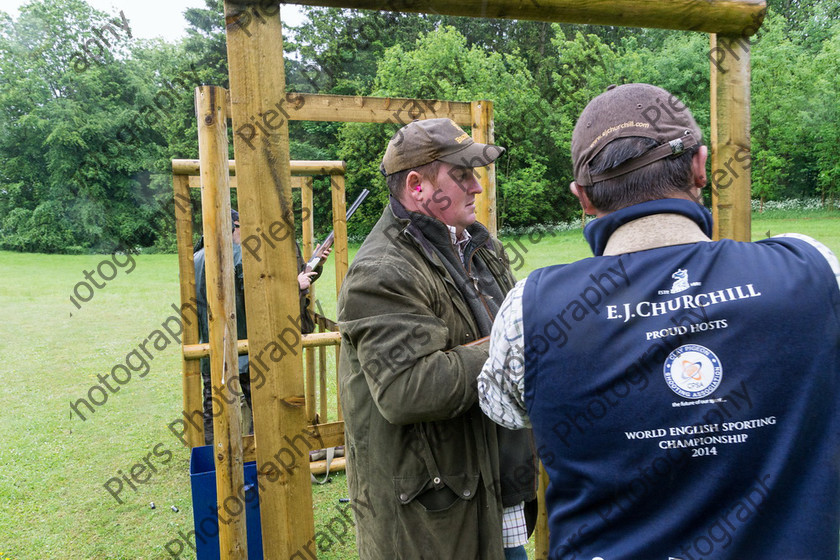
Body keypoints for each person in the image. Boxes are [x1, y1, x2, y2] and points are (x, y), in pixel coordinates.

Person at [478, 83, 840, 559]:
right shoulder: (814, 269)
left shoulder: (532, 308)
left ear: (582, 197)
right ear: (700, 166)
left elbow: (502, 408)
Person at [337, 118, 538, 560]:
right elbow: (407, 389)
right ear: (416, 185)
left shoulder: (481, 247)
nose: (476, 188)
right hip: (434, 515)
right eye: (462, 174)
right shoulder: (381, 271)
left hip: (496, 485)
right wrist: (510, 342)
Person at [195, 210, 329, 444]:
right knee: (260, 410)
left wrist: (304, 274)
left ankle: (211, 461)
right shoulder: (239, 257)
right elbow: (260, 297)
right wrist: (294, 286)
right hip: (245, 348)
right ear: (233, 226)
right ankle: (258, 458)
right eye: (241, 225)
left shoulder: (196, 258)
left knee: (212, 408)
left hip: (209, 349)